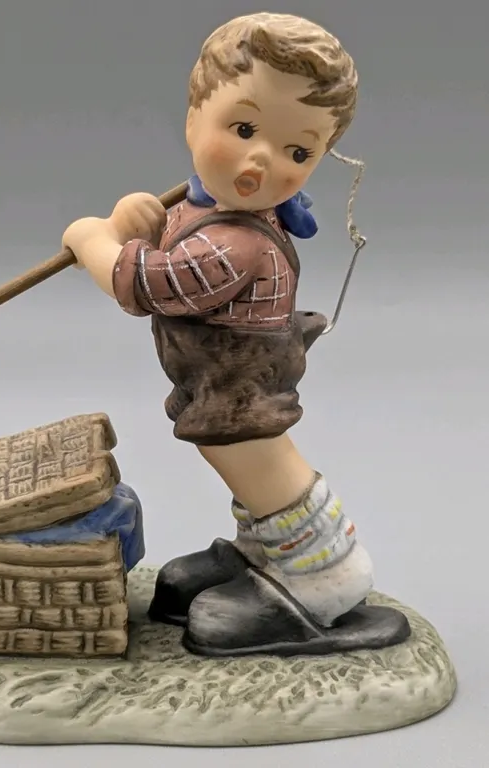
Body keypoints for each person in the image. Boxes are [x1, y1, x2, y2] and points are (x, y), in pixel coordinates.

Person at [62, 12, 409, 656]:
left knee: (263, 466)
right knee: (240, 469)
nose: (262, 161)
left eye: (298, 152)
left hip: (240, 386)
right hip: (214, 380)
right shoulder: (210, 210)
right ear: (193, 117)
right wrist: (136, 221)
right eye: (244, 129)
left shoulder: (240, 244)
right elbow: (170, 240)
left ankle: (325, 574)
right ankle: (268, 550)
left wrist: (93, 239)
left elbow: (151, 285)